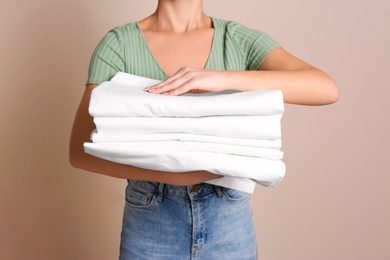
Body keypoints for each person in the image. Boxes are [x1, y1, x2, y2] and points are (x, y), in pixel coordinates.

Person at [69, 0, 339, 259]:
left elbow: (325, 88)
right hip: (150, 216)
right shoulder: (119, 44)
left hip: (228, 216)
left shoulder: (238, 40)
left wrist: (220, 78)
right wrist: (177, 175)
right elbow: (80, 152)